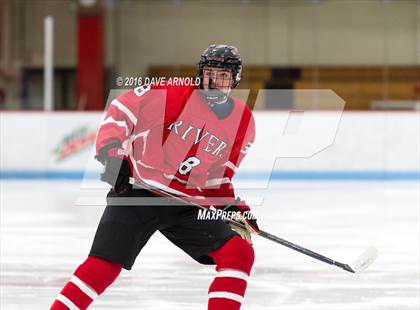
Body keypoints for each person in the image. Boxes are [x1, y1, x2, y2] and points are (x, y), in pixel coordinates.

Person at [51, 44, 259, 310]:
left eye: (223, 75)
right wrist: (113, 154)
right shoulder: (172, 92)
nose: (215, 81)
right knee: (104, 264)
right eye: (210, 72)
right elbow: (121, 111)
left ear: (235, 79)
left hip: (185, 203)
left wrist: (232, 206)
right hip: (138, 192)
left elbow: (216, 178)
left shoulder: (243, 122)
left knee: (238, 253)